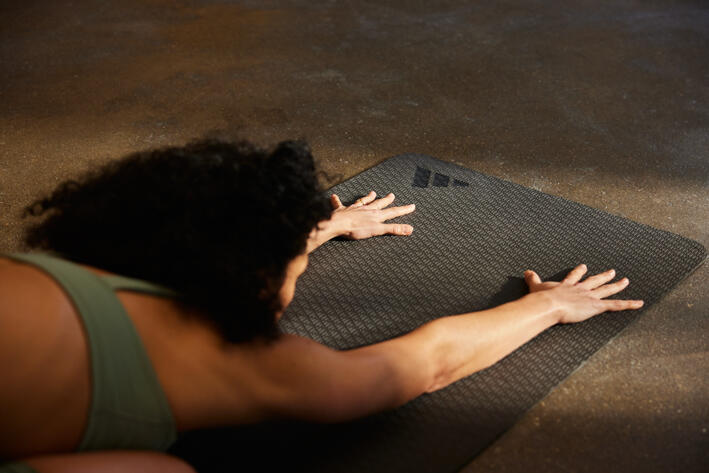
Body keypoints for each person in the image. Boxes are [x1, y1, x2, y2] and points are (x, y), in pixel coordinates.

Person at [0, 138, 644, 473]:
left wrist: (311, 230)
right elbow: (427, 364)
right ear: (256, 278)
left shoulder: (73, 267)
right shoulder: (258, 369)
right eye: (295, 267)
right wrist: (547, 307)